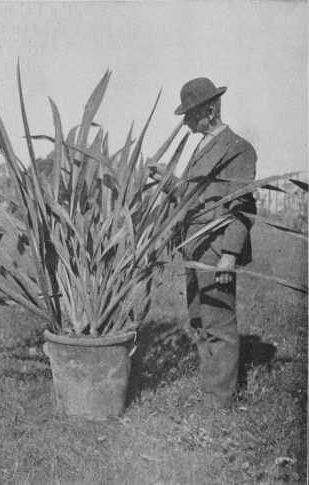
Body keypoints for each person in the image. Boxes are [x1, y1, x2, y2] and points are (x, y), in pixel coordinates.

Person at [150, 77, 257, 408]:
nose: (185, 122)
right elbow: (194, 195)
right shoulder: (202, 146)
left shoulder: (238, 148)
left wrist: (228, 255)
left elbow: (241, 205)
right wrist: (169, 181)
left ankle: (218, 404)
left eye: (191, 115)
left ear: (210, 112)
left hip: (215, 245)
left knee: (219, 324)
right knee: (199, 319)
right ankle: (211, 390)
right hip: (194, 245)